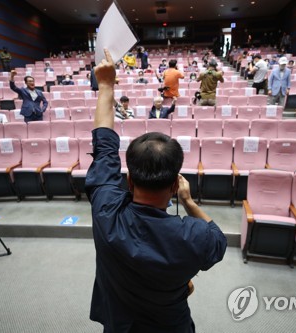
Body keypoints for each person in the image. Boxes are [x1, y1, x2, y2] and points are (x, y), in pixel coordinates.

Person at [87, 48, 226, 332]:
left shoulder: (106, 210)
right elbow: (218, 240)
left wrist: (105, 86)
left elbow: (104, 148)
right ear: (175, 185)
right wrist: (188, 203)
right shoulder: (194, 235)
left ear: (129, 181)